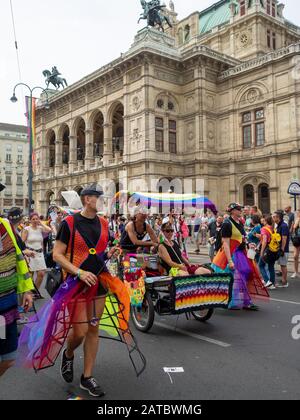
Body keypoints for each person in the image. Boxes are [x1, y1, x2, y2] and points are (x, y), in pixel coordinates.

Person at [53, 183, 127, 397]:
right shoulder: (69, 223)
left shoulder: (104, 223)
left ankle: (87, 377)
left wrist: (109, 252)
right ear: (87, 199)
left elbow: (99, 253)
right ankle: (68, 355)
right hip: (76, 285)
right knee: (80, 331)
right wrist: (78, 272)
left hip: (99, 284)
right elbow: (57, 254)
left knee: (93, 330)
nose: (103, 201)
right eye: (99, 197)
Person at [0, 183, 33, 377]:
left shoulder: (5, 225)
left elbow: (18, 259)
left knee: (8, 358)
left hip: (6, 305)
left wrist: (27, 290)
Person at [212, 203, 268, 310]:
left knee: (245, 275)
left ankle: (245, 301)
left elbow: (242, 238)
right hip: (230, 254)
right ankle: (228, 300)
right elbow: (225, 243)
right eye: (238, 209)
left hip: (241, 253)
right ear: (232, 211)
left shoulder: (240, 222)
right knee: (231, 279)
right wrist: (230, 261)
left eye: (241, 209)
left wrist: (248, 244)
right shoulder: (227, 223)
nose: (241, 210)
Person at [21, 213, 52, 293]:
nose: (35, 220)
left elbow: (49, 230)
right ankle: (29, 292)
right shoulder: (27, 229)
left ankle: (35, 292)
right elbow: (21, 243)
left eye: (36, 219)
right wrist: (25, 253)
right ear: (30, 220)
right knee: (30, 274)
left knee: (41, 274)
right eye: (33, 219)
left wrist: (41, 223)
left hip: (40, 254)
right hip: (30, 254)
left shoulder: (40, 228)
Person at [258, 216, 276, 289]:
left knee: (261, 265)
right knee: (271, 266)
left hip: (266, 249)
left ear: (265, 221)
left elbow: (264, 241)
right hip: (273, 249)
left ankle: (267, 281)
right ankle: (272, 283)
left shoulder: (264, 229)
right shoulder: (273, 229)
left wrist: (261, 252)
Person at [273, 210, 290, 288]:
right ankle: (283, 279)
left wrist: (282, 249)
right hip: (280, 248)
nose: (273, 218)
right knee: (282, 265)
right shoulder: (279, 225)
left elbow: (284, 238)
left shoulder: (283, 226)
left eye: (274, 217)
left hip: (283, 249)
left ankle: (284, 282)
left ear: (278, 217)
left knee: (283, 265)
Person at [291, 210, 300, 278]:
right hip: (297, 239)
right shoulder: (296, 219)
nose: (297, 214)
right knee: (295, 256)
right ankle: (295, 272)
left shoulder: (298, 219)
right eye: (297, 213)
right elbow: (293, 229)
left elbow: (295, 227)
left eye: (298, 213)